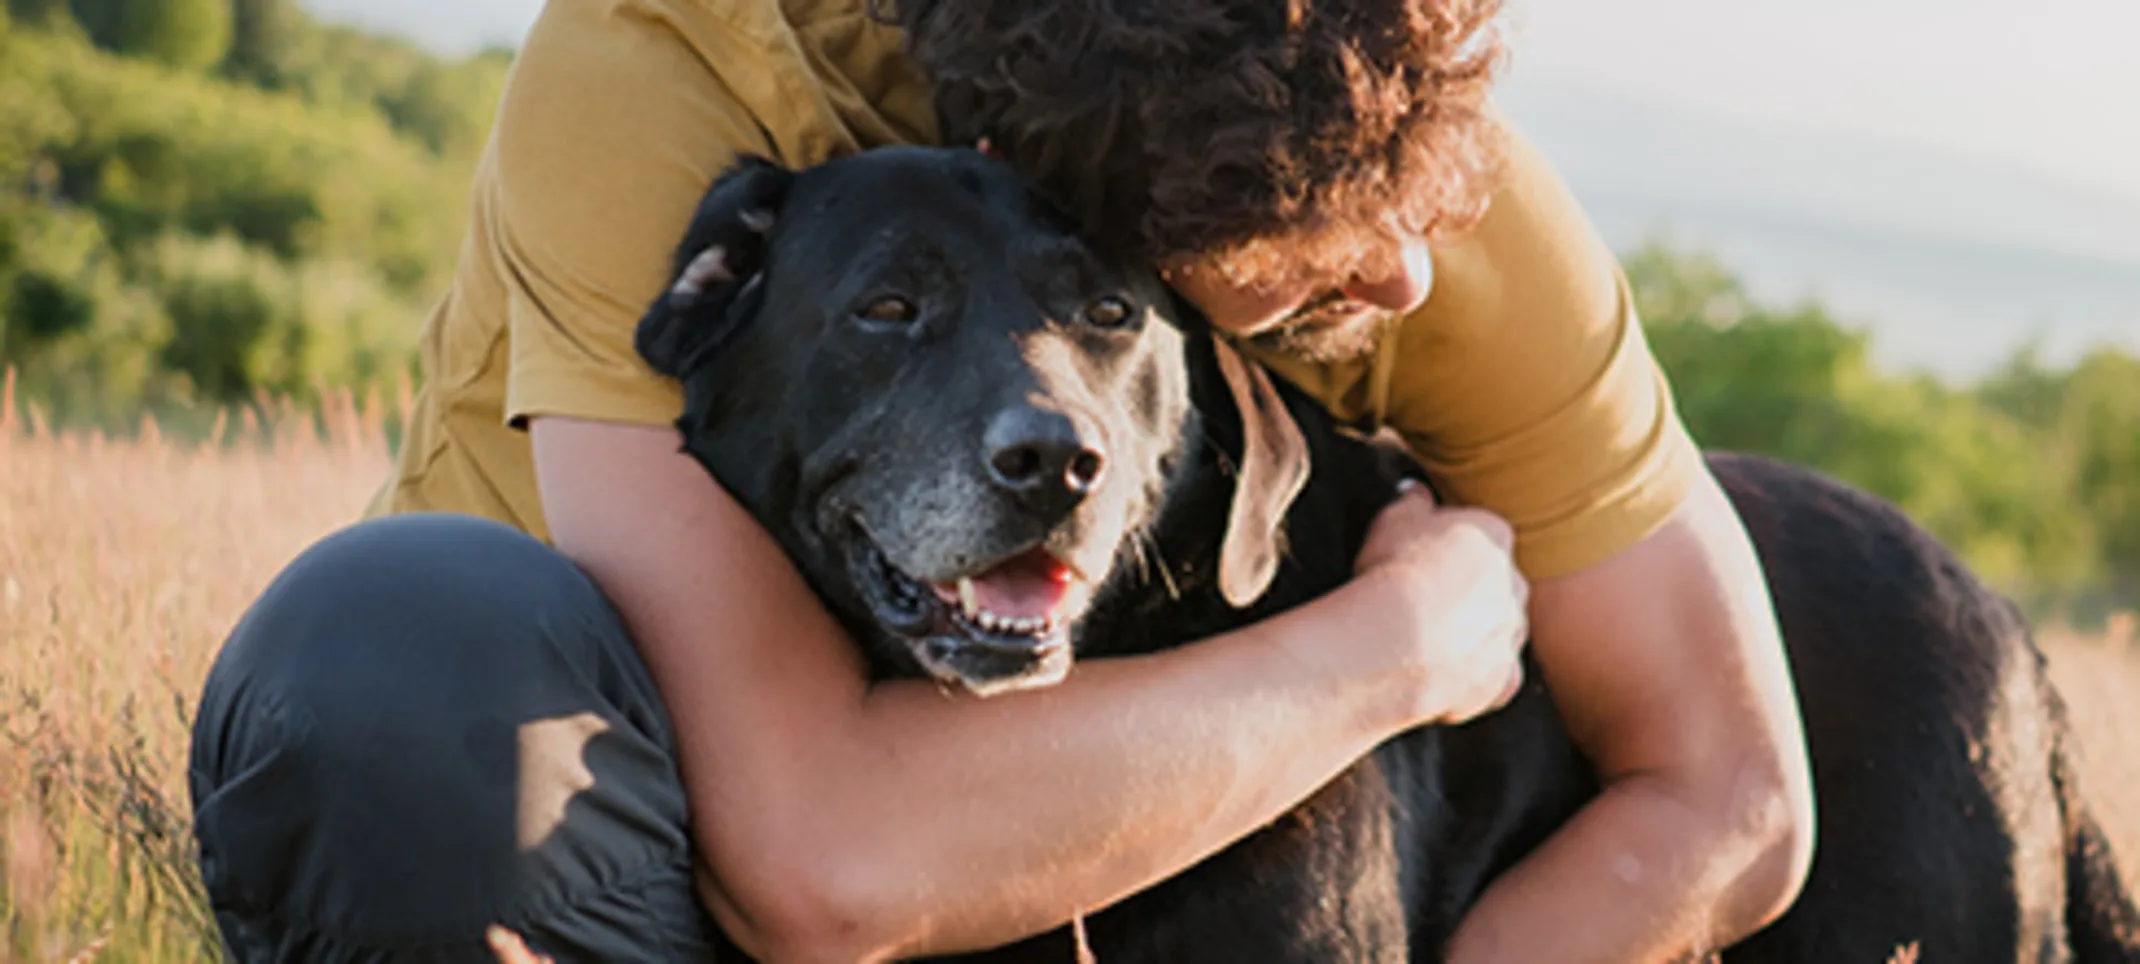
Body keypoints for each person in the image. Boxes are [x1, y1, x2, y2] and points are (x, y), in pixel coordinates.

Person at [185, 0, 1817, 960]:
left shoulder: (1403, 160)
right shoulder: (664, 59)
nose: (1398, 279)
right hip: (620, 794)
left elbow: (1737, 794)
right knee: (393, 652)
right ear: (1084, 215)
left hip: (1030, 825)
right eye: (1314, 261)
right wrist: (1397, 652)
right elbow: (820, 864)